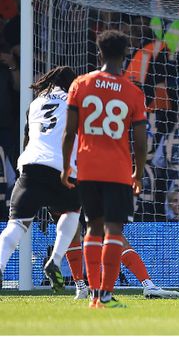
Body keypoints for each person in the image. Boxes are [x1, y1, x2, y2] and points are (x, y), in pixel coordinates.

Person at [61, 30, 148, 308]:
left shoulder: (80, 84)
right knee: (113, 230)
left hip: (86, 168)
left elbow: (69, 132)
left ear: (99, 52)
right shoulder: (133, 92)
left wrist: (66, 167)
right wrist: (139, 172)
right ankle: (106, 295)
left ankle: (92, 295)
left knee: (92, 227)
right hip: (118, 170)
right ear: (125, 56)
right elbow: (141, 140)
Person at [0, 67, 80, 291]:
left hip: (30, 166)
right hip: (60, 167)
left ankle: (0, 264)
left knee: (15, 225)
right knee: (72, 211)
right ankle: (55, 259)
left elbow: (27, 138)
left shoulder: (34, 104)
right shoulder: (75, 100)